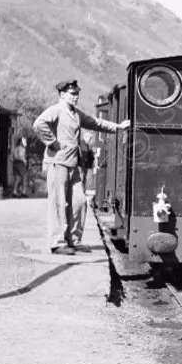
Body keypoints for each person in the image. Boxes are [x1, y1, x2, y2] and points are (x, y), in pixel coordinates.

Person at [33, 80, 130, 255]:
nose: (75, 97)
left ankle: (74, 239)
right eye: (72, 94)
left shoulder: (76, 114)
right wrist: (53, 142)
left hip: (72, 165)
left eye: (77, 94)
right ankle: (57, 243)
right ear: (62, 95)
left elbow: (96, 123)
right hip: (58, 164)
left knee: (79, 202)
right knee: (59, 204)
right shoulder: (56, 110)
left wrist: (119, 127)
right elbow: (39, 124)